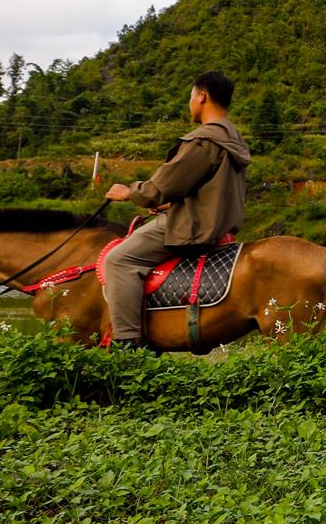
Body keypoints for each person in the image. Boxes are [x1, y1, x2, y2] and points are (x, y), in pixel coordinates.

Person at [101, 71, 251, 349]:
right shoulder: (232, 138)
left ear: (202, 96)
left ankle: (127, 343)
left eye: (191, 97)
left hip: (194, 227)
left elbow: (160, 188)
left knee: (118, 259)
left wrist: (128, 192)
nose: (190, 103)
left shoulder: (204, 140)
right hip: (220, 224)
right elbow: (209, 190)